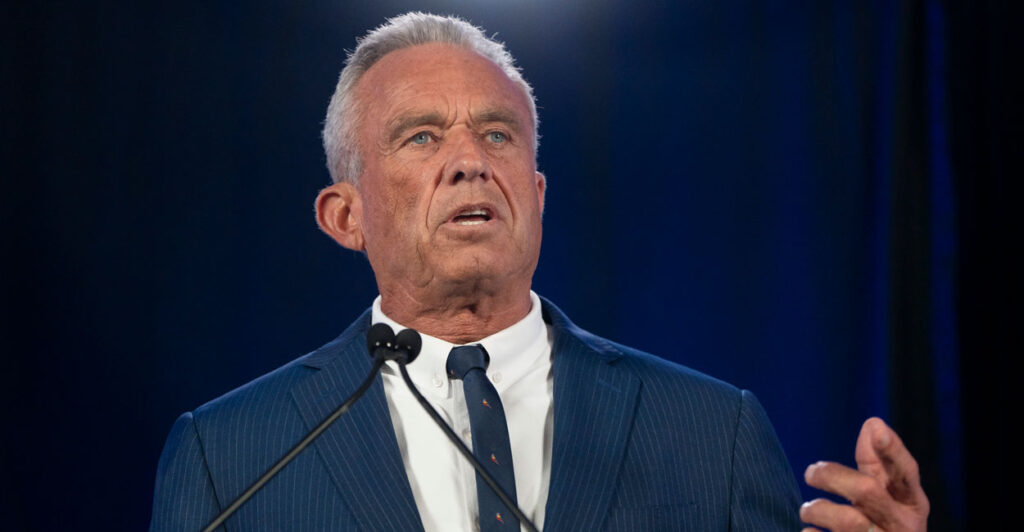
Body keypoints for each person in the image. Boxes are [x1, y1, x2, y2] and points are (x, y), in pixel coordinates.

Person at [150, 12, 929, 532]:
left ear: (536, 193)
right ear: (344, 216)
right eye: (420, 138)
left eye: (497, 135)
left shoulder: (710, 432)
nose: (469, 163)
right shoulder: (233, 457)